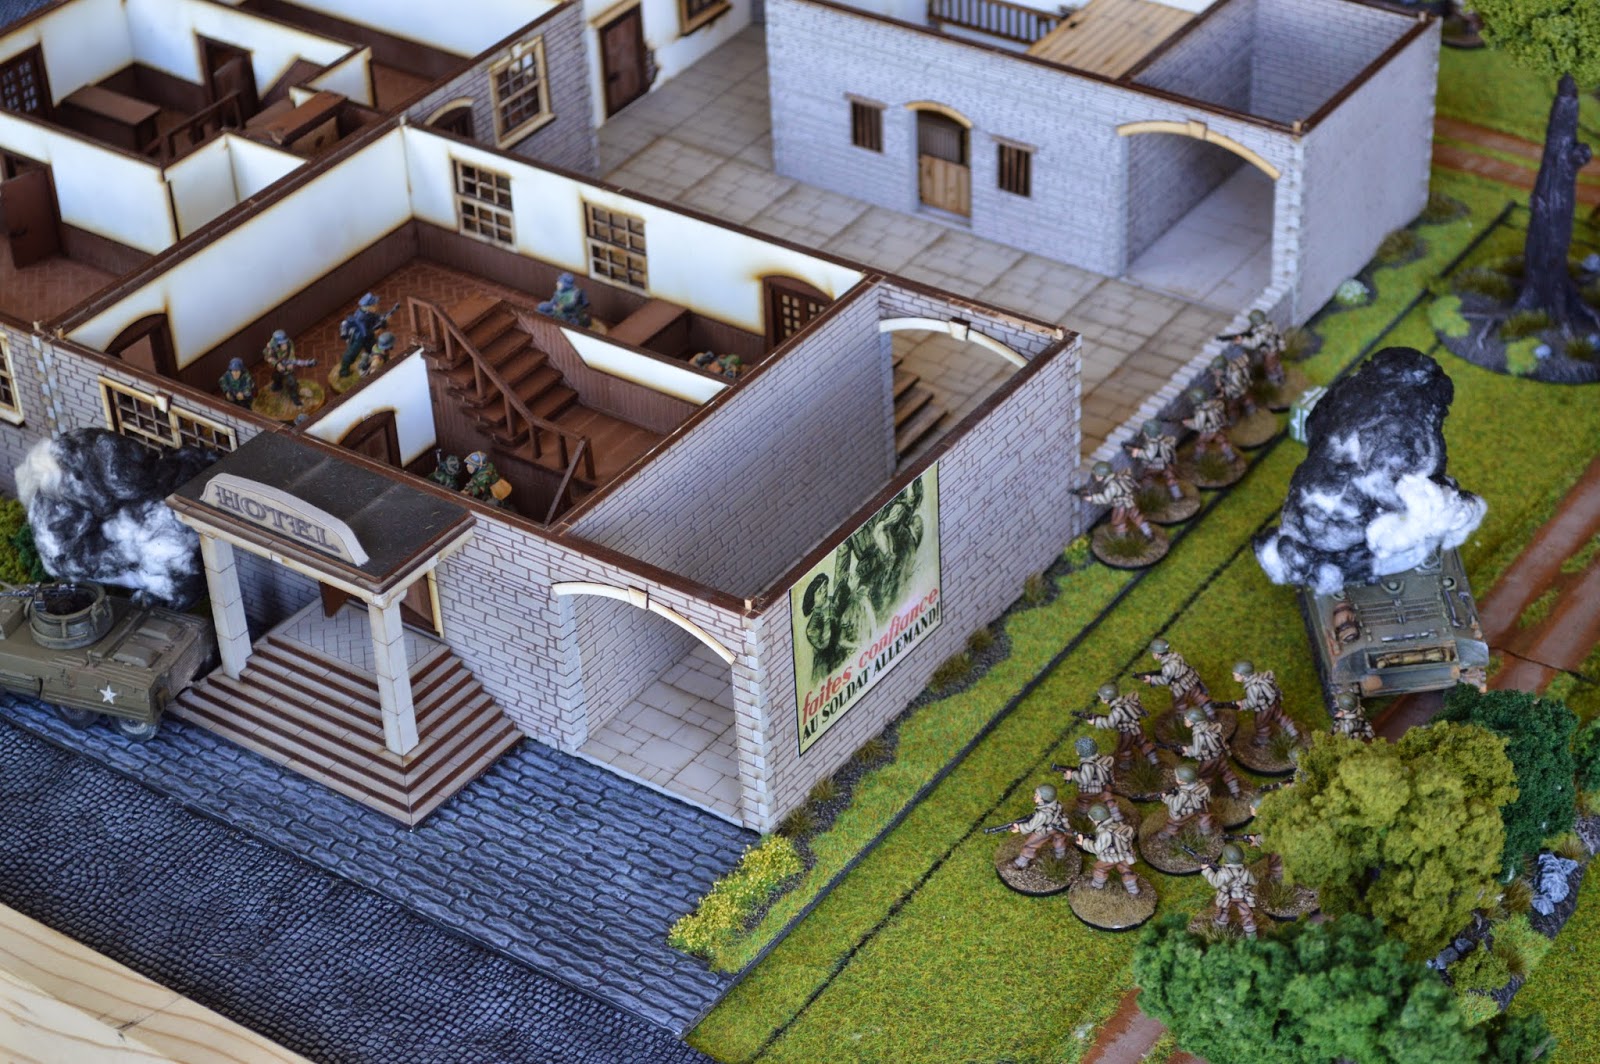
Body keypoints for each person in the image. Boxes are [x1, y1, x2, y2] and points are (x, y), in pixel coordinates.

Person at [1216, 661, 1299, 748]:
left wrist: (1242, 704)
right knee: (1281, 717)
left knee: (1261, 725)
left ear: (1243, 675)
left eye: (1235, 675)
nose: (1233, 676)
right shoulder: (1260, 677)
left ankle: (1262, 741)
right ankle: (1293, 732)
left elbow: (1252, 703)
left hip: (1264, 709)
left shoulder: (1252, 687)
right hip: (1274, 703)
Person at [1085, 683, 1159, 768]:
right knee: (1143, 743)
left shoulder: (1117, 710)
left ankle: (1126, 766)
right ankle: (1155, 760)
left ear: (1106, 699)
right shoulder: (1126, 701)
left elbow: (1110, 723)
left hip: (1127, 732)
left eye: (1101, 697)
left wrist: (1095, 721)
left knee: (1124, 749)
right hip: (1137, 727)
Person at [1076, 461, 1155, 540]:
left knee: (1118, 522)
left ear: (1101, 475)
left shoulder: (1111, 485)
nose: (1095, 476)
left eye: (1096, 474)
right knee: (1136, 516)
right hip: (1130, 501)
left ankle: (1121, 540)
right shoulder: (1117, 477)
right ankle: (1148, 532)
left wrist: (1090, 498)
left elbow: (1105, 498)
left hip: (1121, 506)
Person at [1073, 803, 1141, 894]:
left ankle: (1097, 886)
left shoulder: (1104, 833)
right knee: (1126, 871)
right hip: (1126, 855)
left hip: (1110, 857)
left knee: (1099, 869)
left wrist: (1084, 843)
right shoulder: (1119, 825)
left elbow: (1097, 849)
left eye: (1093, 820)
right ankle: (1133, 890)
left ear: (1097, 820)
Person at [1177, 706, 1242, 798]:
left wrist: (1187, 751)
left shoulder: (1198, 734)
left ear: (1193, 721)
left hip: (1209, 760)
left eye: (1186, 719)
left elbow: (1196, 751)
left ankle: (1206, 796)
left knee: (1204, 777)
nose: (1185, 721)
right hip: (1220, 755)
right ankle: (1235, 791)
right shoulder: (1211, 726)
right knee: (1226, 771)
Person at [1137, 638, 1211, 715]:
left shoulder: (1167, 667)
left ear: (1157, 654)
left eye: (1153, 653)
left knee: (1180, 705)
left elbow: (1165, 680)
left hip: (1180, 687)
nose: (1153, 655)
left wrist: (1152, 679)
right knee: (1198, 696)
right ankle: (1211, 713)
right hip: (1191, 680)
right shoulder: (1176, 655)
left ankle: (1184, 719)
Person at [1008, 783, 1071, 870]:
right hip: (1057, 827)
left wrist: (1019, 828)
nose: (1035, 796)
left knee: (1030, 845)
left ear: (1044, 798)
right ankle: (1060, 854)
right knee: (1059, 838)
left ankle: (1021, 863)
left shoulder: (1041, 814)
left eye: (1037, 795)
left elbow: (1030, 827)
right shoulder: (1057, 804)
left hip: (1045, 831)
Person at [1200, 844, 1259, 938]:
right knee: (1247, 915)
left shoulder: (1223, 872)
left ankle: (1218, 931)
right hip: (1242, 897)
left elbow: (1215, 882)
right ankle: (1252, 936)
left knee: (1222, 913)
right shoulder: (1247, 871)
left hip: (1226, 897)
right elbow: (1255, 882)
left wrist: (1206, 870)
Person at [1058, 736, 1120, 817]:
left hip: (1094, 788)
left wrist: (1072, 775)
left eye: (1077, 749)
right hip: (1106, 785)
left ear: (1080, 752)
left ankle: (1082, 813)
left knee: (1084, 799)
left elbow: (1084, 780)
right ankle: (1115, 814)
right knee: (1108, 799)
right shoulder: (1100, 758)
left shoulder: (1087, 765)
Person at [1124, 420, 1183, 501]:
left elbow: (1148, 455)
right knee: (1170, 477)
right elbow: (1171, 452)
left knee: (1147, 478)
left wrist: (1134, 451)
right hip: (1166, 464)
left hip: (1155, 466)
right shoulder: (1165, 440)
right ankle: (1177, 494)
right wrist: (1173, 463)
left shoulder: (1151, 444)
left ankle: (1147, 495)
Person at [1181, 386, 1240, 464]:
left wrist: (1187, 423)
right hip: (1218, 428)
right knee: (1223, 442)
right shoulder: (1215, 404)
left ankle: (1196, 459)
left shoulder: (1200, 412)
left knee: (1200, 444)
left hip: (1207, 432)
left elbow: (1197, 425)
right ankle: (1231, 456)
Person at [1158, 762, 1215, 838]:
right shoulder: (1201, 783)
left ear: (1182, 781)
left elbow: (1175, 805)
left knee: (1175, 822)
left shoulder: (1184, 794)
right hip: (1203, 806)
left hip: (1190, 809)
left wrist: (1166, 797)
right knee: (1205, 818)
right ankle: (1206, 830)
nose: (1175, 778)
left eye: (1177, 777)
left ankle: (1167, 833)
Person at [338, 293, 387, 377]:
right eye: (375, 304)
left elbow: (376, 318)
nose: (377, 305)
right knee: (351, 354)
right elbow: (365, 333)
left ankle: (381, 361)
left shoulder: (370, 312)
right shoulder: (360, 317)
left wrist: (382, 320)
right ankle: (343, 371)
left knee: (376, 349)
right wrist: (377, 329)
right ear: (369, 307)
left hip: (368, 337)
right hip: (359, 338)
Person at [263, 329, 312, 402]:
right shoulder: (271, 347)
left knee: (291, 381)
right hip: (277, 364)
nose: (285, 345)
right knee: (276, 376)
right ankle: (278, 385)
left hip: (287, 363)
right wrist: (277, 364)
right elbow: (267, 356)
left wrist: (290, 363)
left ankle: (294, 396)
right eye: (282, 344)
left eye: (285, 343)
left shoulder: (289, 343)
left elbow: (291, 354)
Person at [1210, 351, 1256, 421]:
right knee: (1231, 405)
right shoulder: (1223, 373)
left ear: (1222, 368)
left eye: (1216, 370)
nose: (1215, 372)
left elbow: (1237, 386)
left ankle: (1250, 408)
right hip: (1231, 391)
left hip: (1242, 389)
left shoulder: (1235, 372)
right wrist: (1219, 383)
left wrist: (1223, 390)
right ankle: (1235, 417)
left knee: (1245, 400)